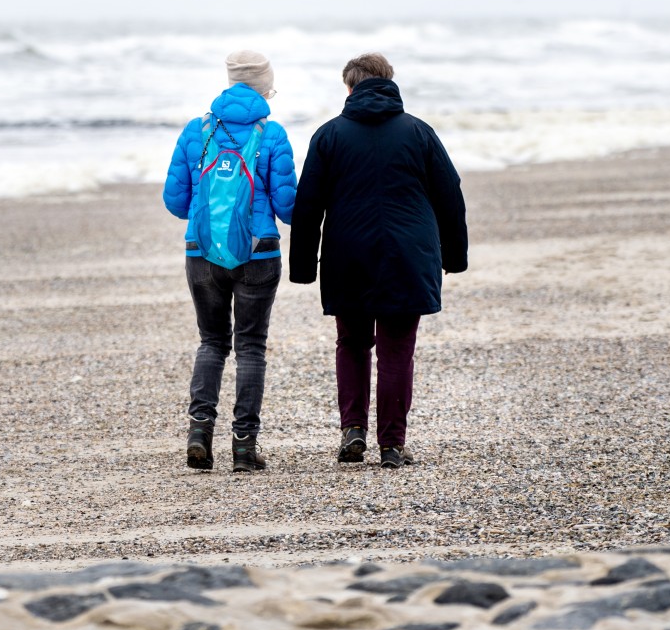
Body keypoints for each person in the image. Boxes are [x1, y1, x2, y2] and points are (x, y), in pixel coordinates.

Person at [289, 53, 467, 469]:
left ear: (348, 88)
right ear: (388, 82)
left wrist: (302, 266)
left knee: (351, 343)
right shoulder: (419, 132)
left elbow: (308, 204)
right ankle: (391, 444)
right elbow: (450, 196)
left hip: (346, 255)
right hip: (408, 255)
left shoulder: (329, 135)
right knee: (396, 350)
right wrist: (454, 256)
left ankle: (353, 431)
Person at [163, 50, 298, 473]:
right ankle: (244, 446)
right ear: (264, 85)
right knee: (251, 347)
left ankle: (199, 434)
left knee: (212, 343)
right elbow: (289, 206)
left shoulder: (197, 129)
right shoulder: (272, 133)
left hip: (201, 252)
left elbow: (175, 201)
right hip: (259, 252)